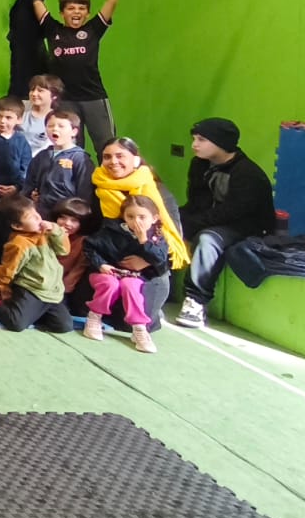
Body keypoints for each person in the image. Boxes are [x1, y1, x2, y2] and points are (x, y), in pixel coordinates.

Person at [175, 118, 277, 330]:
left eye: (201, 140)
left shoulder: (248, 174)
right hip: (212, 218)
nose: (194, 145)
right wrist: (175, 220)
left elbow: (232, 212)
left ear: (221, 142)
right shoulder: (200, 164)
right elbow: (196, 202)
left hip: (245, 226)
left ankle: (196, 301)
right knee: (163, 221)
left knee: (207, 240)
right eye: (194, 139)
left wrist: (193, 224)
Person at [22, 0, 128, 150]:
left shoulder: (93, 29)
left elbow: (111, 1)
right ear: (62, 13)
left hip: (94, 97)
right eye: (71, 8)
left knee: (106, 145)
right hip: (65, 100)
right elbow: (36, 2)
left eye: (82, 8)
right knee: (69, 146)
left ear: (87, 13)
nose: (77, 12)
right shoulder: (53, 29)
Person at [0, 195, 75, 333]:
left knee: (64, 326)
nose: (38, 218)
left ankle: (30, 313)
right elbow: (7, 269)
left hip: (52, 292)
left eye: (36, 212)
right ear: (17, 226)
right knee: (16, 323)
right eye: (31, 217)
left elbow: (64, 250)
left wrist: (56, 230)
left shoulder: (46, 232)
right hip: (31, 289)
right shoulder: (19, 243)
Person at [82, 195, 168, 353]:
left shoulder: (157, 237)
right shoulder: (111, 231)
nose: (136, 221)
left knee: (131, 286)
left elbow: (160, 259)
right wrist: (101, 264)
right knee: (110, 284)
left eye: (142, 217)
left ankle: (139, 328)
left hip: (134, 277)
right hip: (107, 273)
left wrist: (144, 240)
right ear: (123, 217)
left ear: (154, 218)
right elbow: (90, 247)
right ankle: (94, 317)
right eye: (130, 217)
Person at [90, 138, 187, 270]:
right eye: (107, 157)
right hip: (109, 264)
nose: (113, 161)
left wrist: (146, 261)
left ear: (136, 160)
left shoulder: (157, 190)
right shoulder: (97, 188)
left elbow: (173, 230)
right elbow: (93, 231)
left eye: (120, 156)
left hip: (152, 265)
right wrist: (101, 263)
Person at [25, 110, 95, 216]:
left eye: (61, 126)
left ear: (74, 132)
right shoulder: (41, 156)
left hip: (67, 215)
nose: (55, 129)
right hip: (41, 212)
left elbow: (85, 193)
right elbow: (29, 184)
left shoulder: (80, 158)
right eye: (50, 126)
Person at [21, 74, 63, 156]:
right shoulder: (20, 107)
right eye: (32, 90)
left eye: (40, 91)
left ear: (54, 96)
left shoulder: (57, 120)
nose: (34, 94)